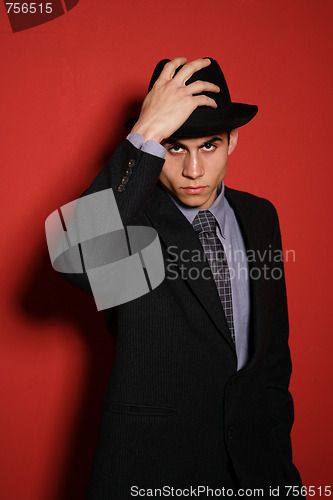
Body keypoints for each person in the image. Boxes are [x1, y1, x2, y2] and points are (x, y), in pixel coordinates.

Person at [59, 57, 302, 498]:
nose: (193, 171)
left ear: (233, 142)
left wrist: (282, 477)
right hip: (154, 469)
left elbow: (270, 365)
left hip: (253, 471)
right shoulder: (133, 219)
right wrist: (145, 133)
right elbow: (76, 259)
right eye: (175, 147)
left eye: (209, 146)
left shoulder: (260, 217)